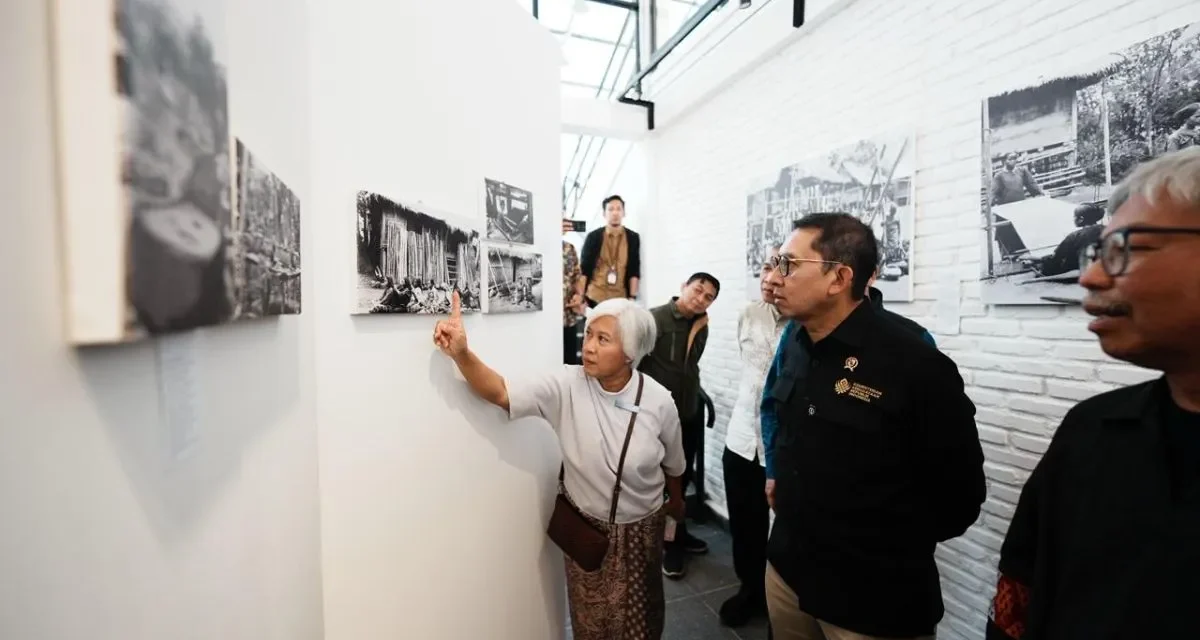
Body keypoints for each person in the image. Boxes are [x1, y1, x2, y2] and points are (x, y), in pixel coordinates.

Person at [986, 148, 1200, 640]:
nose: (1091, 277)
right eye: (1098, 251)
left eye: (1127, 249)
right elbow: (1022, 593)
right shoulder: (1092, 428)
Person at [760, 212, 984, 640]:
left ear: (839, 278)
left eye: (789, 264)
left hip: (869, 593)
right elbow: (779, 416)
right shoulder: (796, 343)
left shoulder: (914, 362)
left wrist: (877, 542)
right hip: (790, 565)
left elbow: (959, 497)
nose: (775, 276)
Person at [433, 294, 685, 640]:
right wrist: (461, 353)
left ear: (630, 353)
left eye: (602, 339)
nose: (589, 347)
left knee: (641, 622)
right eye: (589, 335)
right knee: (590, 622)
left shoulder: (658, 401)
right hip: (588, 532)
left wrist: (677, 504)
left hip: (642, 532)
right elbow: (500, 392)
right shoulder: (568, 384)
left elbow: (674, 464)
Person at [638, 272, 721, 578]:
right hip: (657, 418)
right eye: (698, 291)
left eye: (708, 297)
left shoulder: (702, 324)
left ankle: (678, 534)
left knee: (682, 478)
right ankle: (667, 544)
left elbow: (690, 367)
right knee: (664, 482)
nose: (700, 299)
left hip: (688, 412)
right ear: (683, 287)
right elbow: (637, 364)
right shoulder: (654, 319)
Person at [720, 250, 787, 628]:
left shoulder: (806, 323)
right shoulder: (748, 314)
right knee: (745, 524)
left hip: (784, 448)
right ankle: (750, 589)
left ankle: (783, 599)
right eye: (765, 268)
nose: (769, 277)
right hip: (743, 438)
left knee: (787, 528)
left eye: (780, 270)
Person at [580, 195, 641, 306]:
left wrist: (632, 297)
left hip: (620, 299)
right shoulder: (593, 237)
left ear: (624, 213)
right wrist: (580, 296)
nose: (615, 213)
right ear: (604, 214)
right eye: (611, 209)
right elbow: (584, 269)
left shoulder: (632, 237)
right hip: (594, 297)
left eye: (619, 209)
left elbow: (634, 269)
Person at [562, 218, 586, 364]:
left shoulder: (569, 249)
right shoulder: (540, 247)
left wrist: (579, 295)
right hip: (546, 320)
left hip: (568, 318)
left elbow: (577, 276)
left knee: (569, 362)